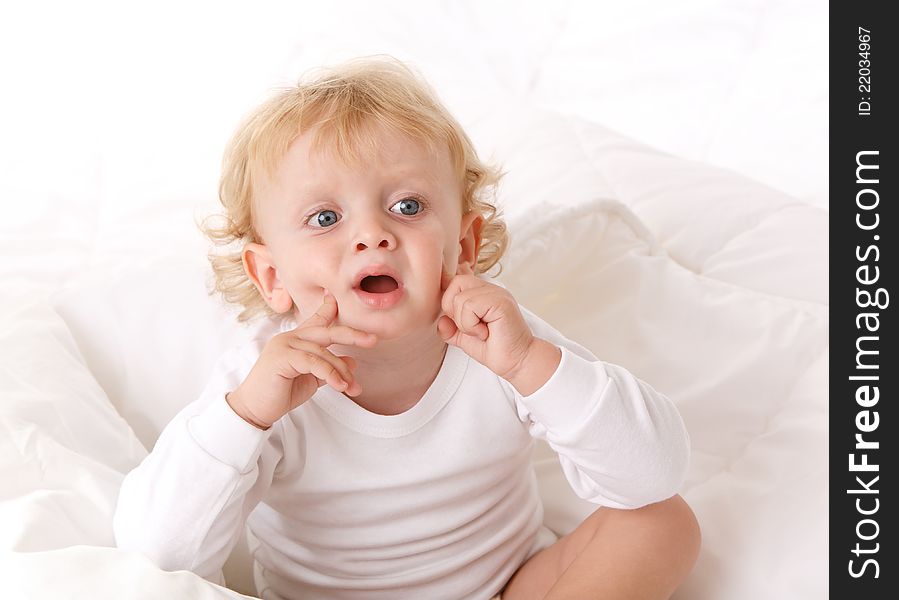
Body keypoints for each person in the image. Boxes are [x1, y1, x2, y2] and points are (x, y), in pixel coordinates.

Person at [113, 56, 701, 600]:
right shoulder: (261, 386)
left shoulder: (500, 345)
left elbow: (652, 474)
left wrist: (530, 368)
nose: (372, 234)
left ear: (463, 245)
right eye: (325, 218)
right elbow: (154, 553)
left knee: (662, 522)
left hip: (507, 588)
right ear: (272, 276)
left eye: (408, 207)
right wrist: (245, 417)